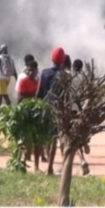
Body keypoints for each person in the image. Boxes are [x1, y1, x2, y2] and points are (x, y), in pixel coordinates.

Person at [38, 46, 66, 175]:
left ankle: (46, 165)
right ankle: (50, 167)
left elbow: (39, 93)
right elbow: (67, 94)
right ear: (62, 61)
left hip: (46, 106)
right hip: (59, 108)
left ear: (51, 59)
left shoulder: (44, 72)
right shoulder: (65, 75)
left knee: (47, 137)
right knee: (55, 138)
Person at [16, 54, 47, 170]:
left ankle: (36, 166)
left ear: (36, 70)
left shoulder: (38, 82)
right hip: (25, 111)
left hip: (36, 112)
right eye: (29, 70)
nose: (31, 72)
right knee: (24, 138)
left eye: (33, 70)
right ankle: (21, 162)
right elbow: (19, 98)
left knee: (36, 140)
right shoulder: (23, 81)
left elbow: (39, 96)